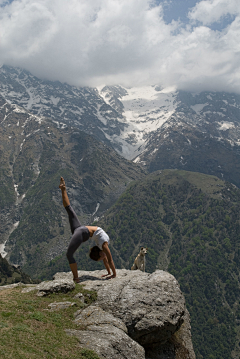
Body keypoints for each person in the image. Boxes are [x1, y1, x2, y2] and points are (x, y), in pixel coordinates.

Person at [59, 177, 116, 282]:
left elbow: (106, 260)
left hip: (81, 229)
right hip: (81, 232)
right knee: (69, 254)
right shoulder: (104, 244)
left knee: (69, 209)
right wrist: (114, 275)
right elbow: (110, 259)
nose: (103, 259)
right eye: (101, 258)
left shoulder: (102, 246)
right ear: (100, 253)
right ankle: (76, 278)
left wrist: (108, 273)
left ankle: (63, 189)